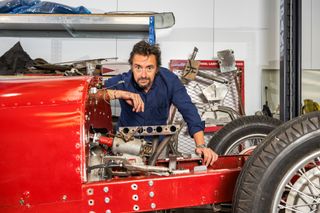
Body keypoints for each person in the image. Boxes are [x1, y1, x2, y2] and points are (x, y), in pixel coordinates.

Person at [102, 40, 218, 166]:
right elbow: (93, 94)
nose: (143, 75)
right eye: (138, 68)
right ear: (132, 67)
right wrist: (121, 94)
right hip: (125, 144)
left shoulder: (169, 81)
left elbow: (188, 109)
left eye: (149, 68)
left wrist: (201, 145)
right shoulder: (123, 81)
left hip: (158, 147)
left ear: (157, 68)